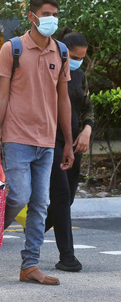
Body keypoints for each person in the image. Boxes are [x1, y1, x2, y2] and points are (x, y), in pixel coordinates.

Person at [0, 0, 74, 285]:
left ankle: (30, 266)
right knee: (20, 196)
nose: (52, 19)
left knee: (40, 204)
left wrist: (68, 141)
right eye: (47, 13)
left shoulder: (61, 51)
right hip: (16, 136)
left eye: (55, 13)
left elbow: (64, 99)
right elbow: (2, 96)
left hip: (47, 140)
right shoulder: (13, 48)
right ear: (32, 17)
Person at [45, 29, 93, 272]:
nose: (78, 61)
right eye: (74, 56)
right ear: (63, 52)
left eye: (81, 57)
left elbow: (87, 107)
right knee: (62, 196)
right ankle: (68, 257)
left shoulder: (80, 76)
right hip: (50, 141)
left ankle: (11, 230)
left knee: (67, 198)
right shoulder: (48, 72)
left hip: (74, 142)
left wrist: (86, 130)